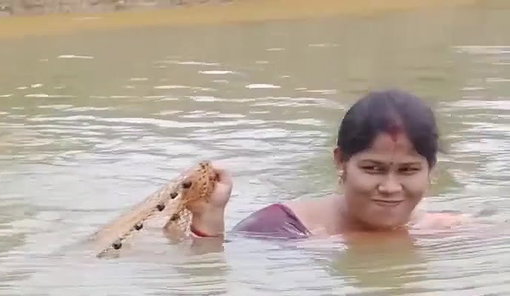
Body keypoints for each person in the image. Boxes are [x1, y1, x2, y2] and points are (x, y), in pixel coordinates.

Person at [187, 88, 459, 240]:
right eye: (372, 168)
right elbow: (215, 293)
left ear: (431, 169)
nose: (390, 187)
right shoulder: (280, 229)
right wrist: (210, 225)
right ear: (341, 161)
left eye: (408, 170)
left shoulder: (438, 230)